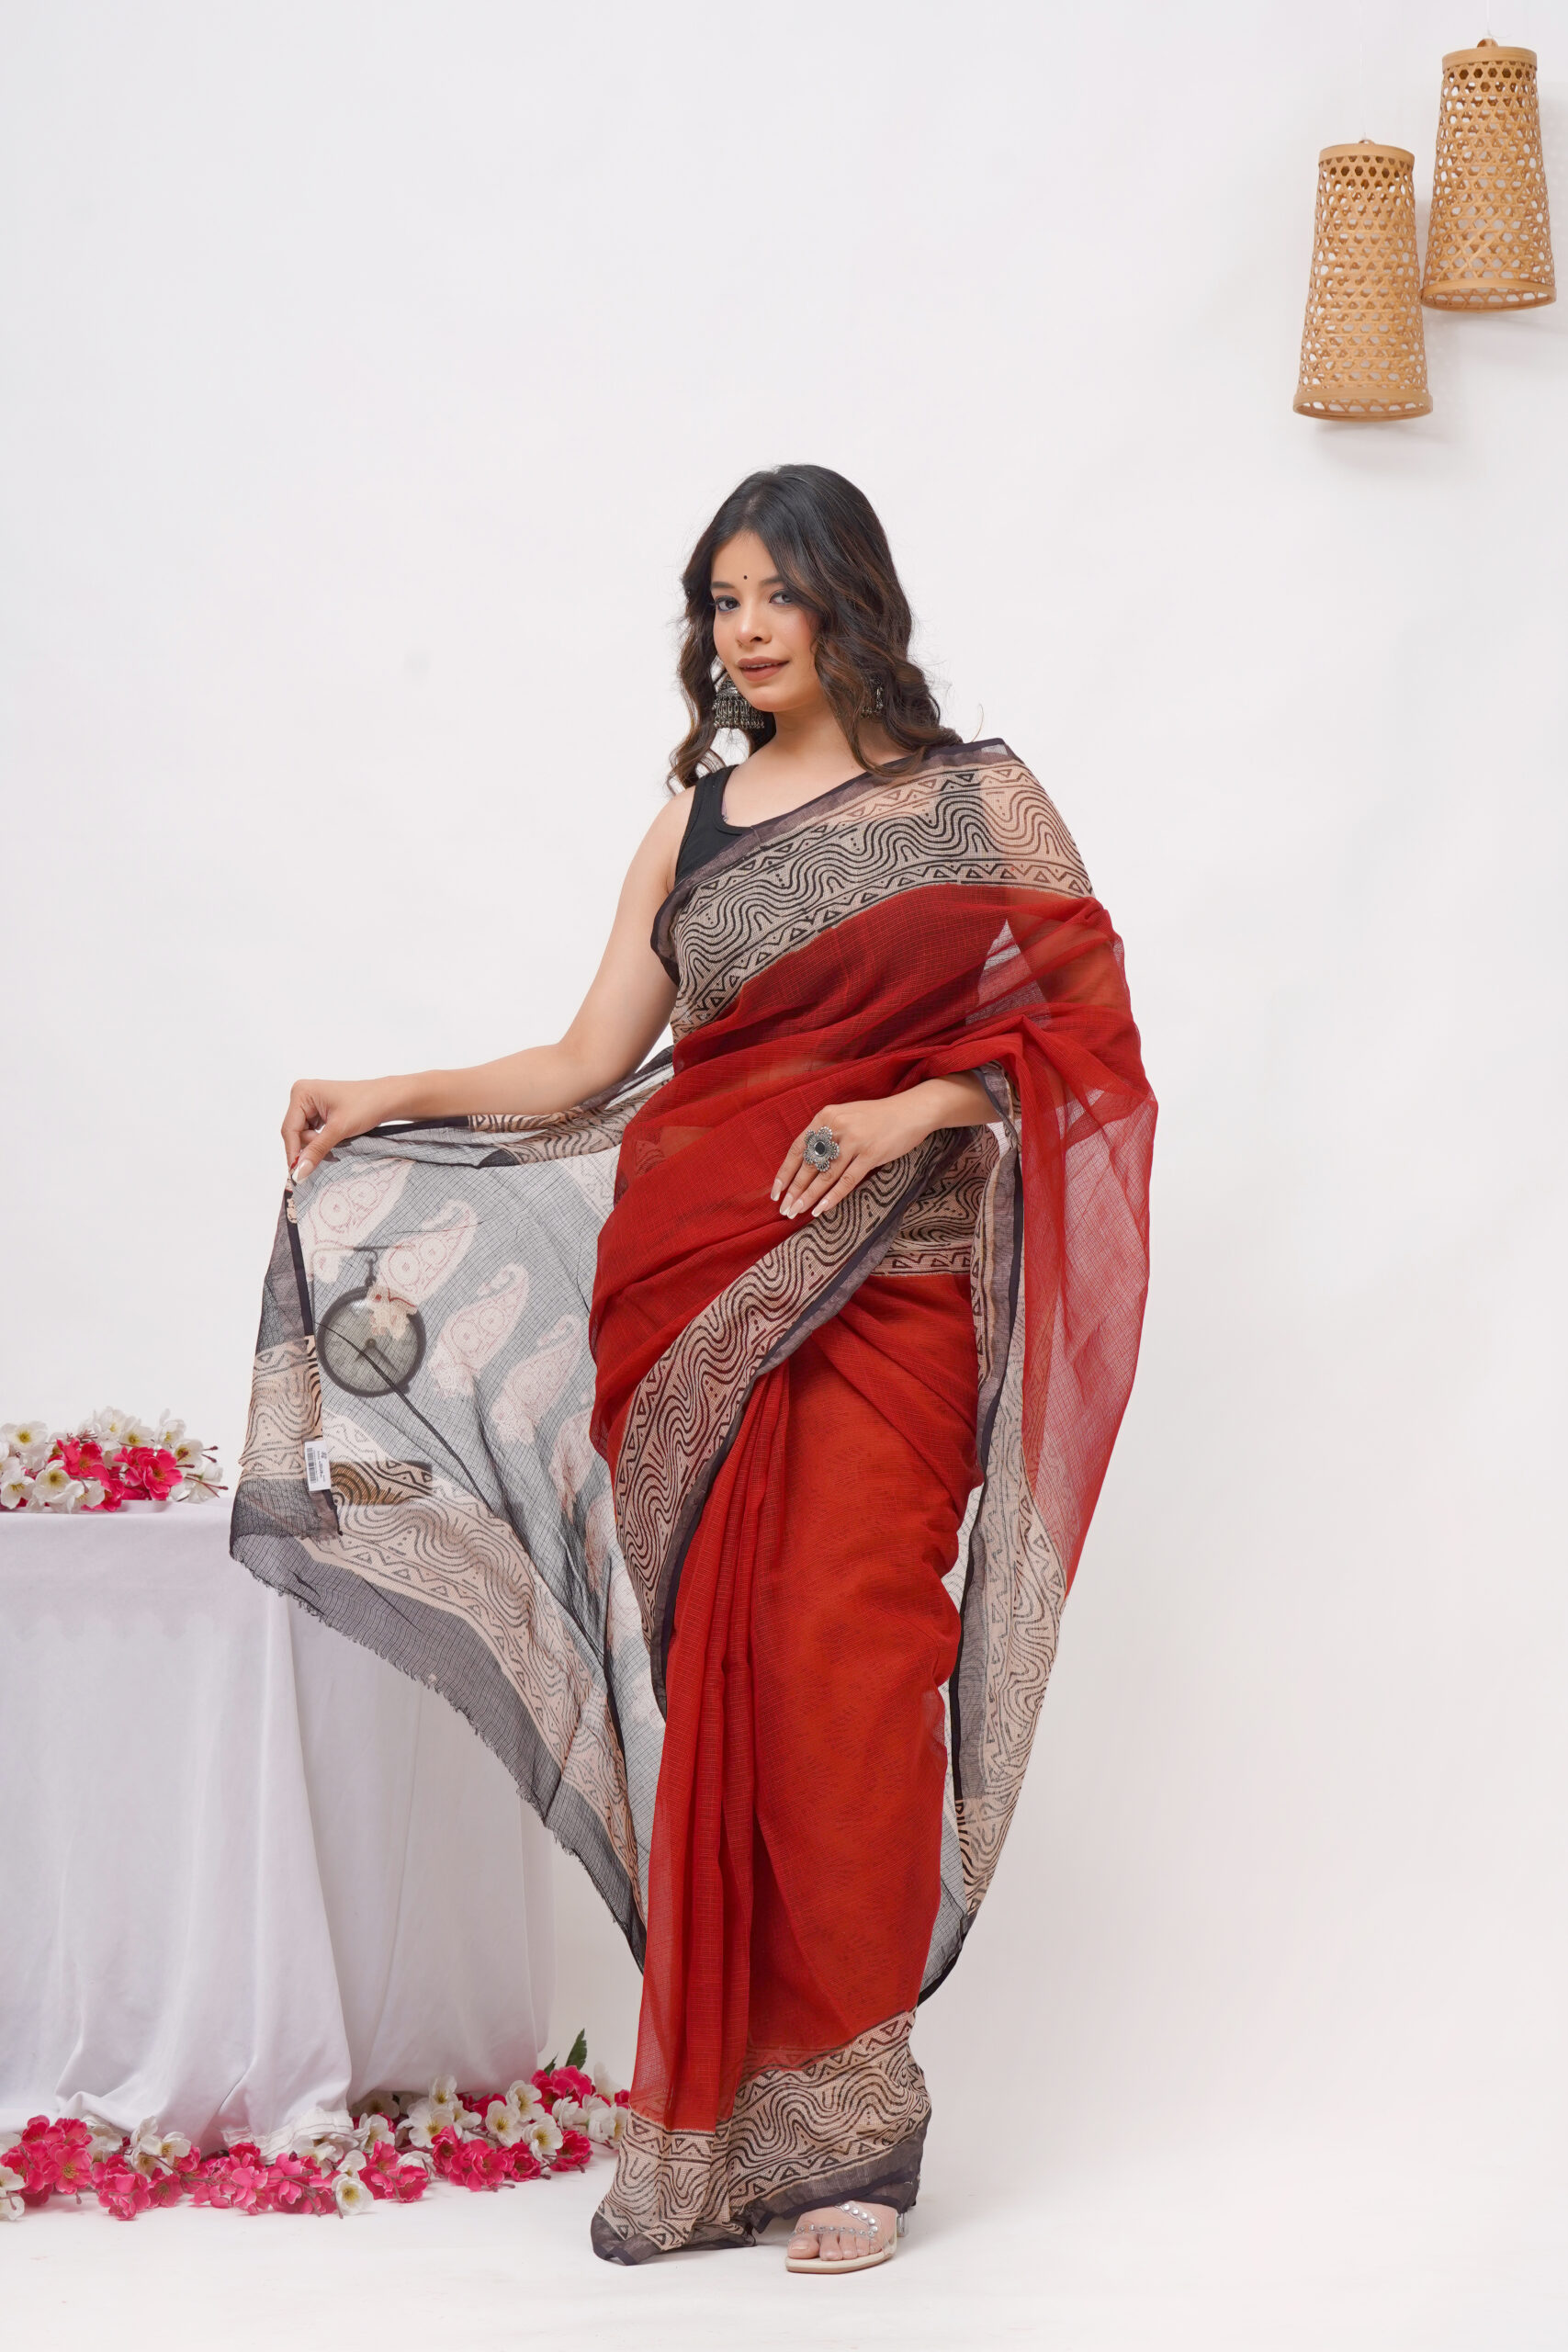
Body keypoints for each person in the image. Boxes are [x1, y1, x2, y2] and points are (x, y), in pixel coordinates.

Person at [237, 463, 1155, 2270]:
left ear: (847, 600)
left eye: (771, 595)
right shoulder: (691, 826)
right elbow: (585, 1062)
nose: (741, 630)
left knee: (850, 1677)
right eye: (718, 601)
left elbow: (1085, 1035)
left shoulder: (978, 801)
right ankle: (739, 2122)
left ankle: (855, 2134)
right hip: (689, 1300)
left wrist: (911, 1106)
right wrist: (390, 1087)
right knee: (730, 1693)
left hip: (888, 1297)